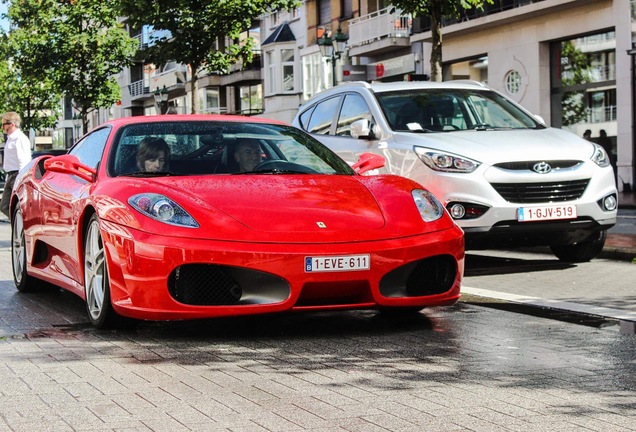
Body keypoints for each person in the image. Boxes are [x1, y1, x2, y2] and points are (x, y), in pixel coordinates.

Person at [1, 112, 32, 218]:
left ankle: (21, 228)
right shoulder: (10, 138)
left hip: (17, 175)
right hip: (10, 175)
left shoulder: (20, 139)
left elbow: (23, 160)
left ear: (12, 124)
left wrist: (21, 178)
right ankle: (19, 227)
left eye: (4, 124)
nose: (2, 127)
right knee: (4, 206)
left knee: (18, 206)